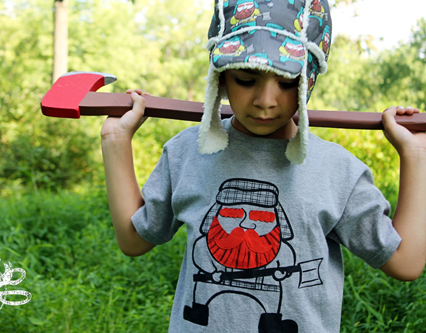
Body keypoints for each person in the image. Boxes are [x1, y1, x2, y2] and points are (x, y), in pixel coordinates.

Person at [101, 0, 426, 331]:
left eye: (286, 83)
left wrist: (415, 155)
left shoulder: (336, 172)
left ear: (308, 81)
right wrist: (115, 141)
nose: (266, 101)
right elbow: (134, 240)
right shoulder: (187, 153)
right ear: (221, 76)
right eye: (246, 78)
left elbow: (407, 263)